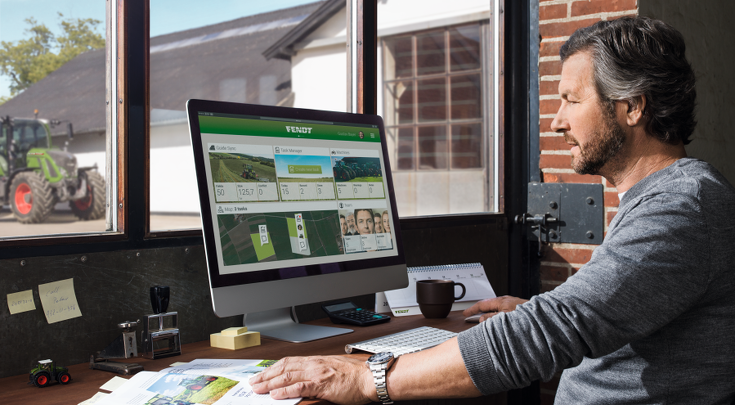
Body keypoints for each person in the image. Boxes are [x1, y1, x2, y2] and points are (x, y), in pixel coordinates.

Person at [249, 17, 735, 404]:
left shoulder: (682, 207)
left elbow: (553, 331)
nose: (557, 120)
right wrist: (531, 313)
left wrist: (368, 378)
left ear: (632, 108)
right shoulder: (667, 199)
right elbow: (609, 317)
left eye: (570, 99)